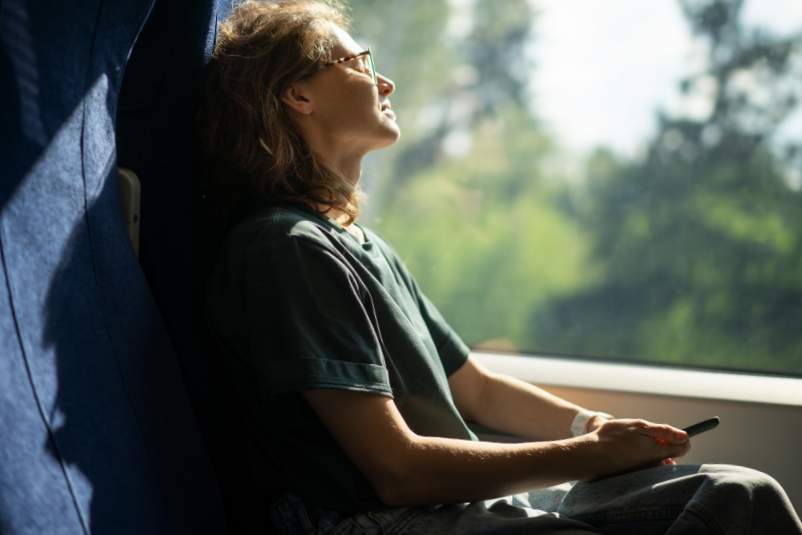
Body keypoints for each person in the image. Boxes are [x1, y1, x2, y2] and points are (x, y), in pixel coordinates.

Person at [197, 1, 802, 533]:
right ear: (297, 95)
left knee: (739, 496)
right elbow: (398, 471)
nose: (384, 81)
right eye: (358, 63)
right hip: (371, 519)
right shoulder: (286, 249)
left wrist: (595, 424)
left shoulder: (357, 245)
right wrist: (593, 455)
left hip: (452, 505)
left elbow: (478, 391)